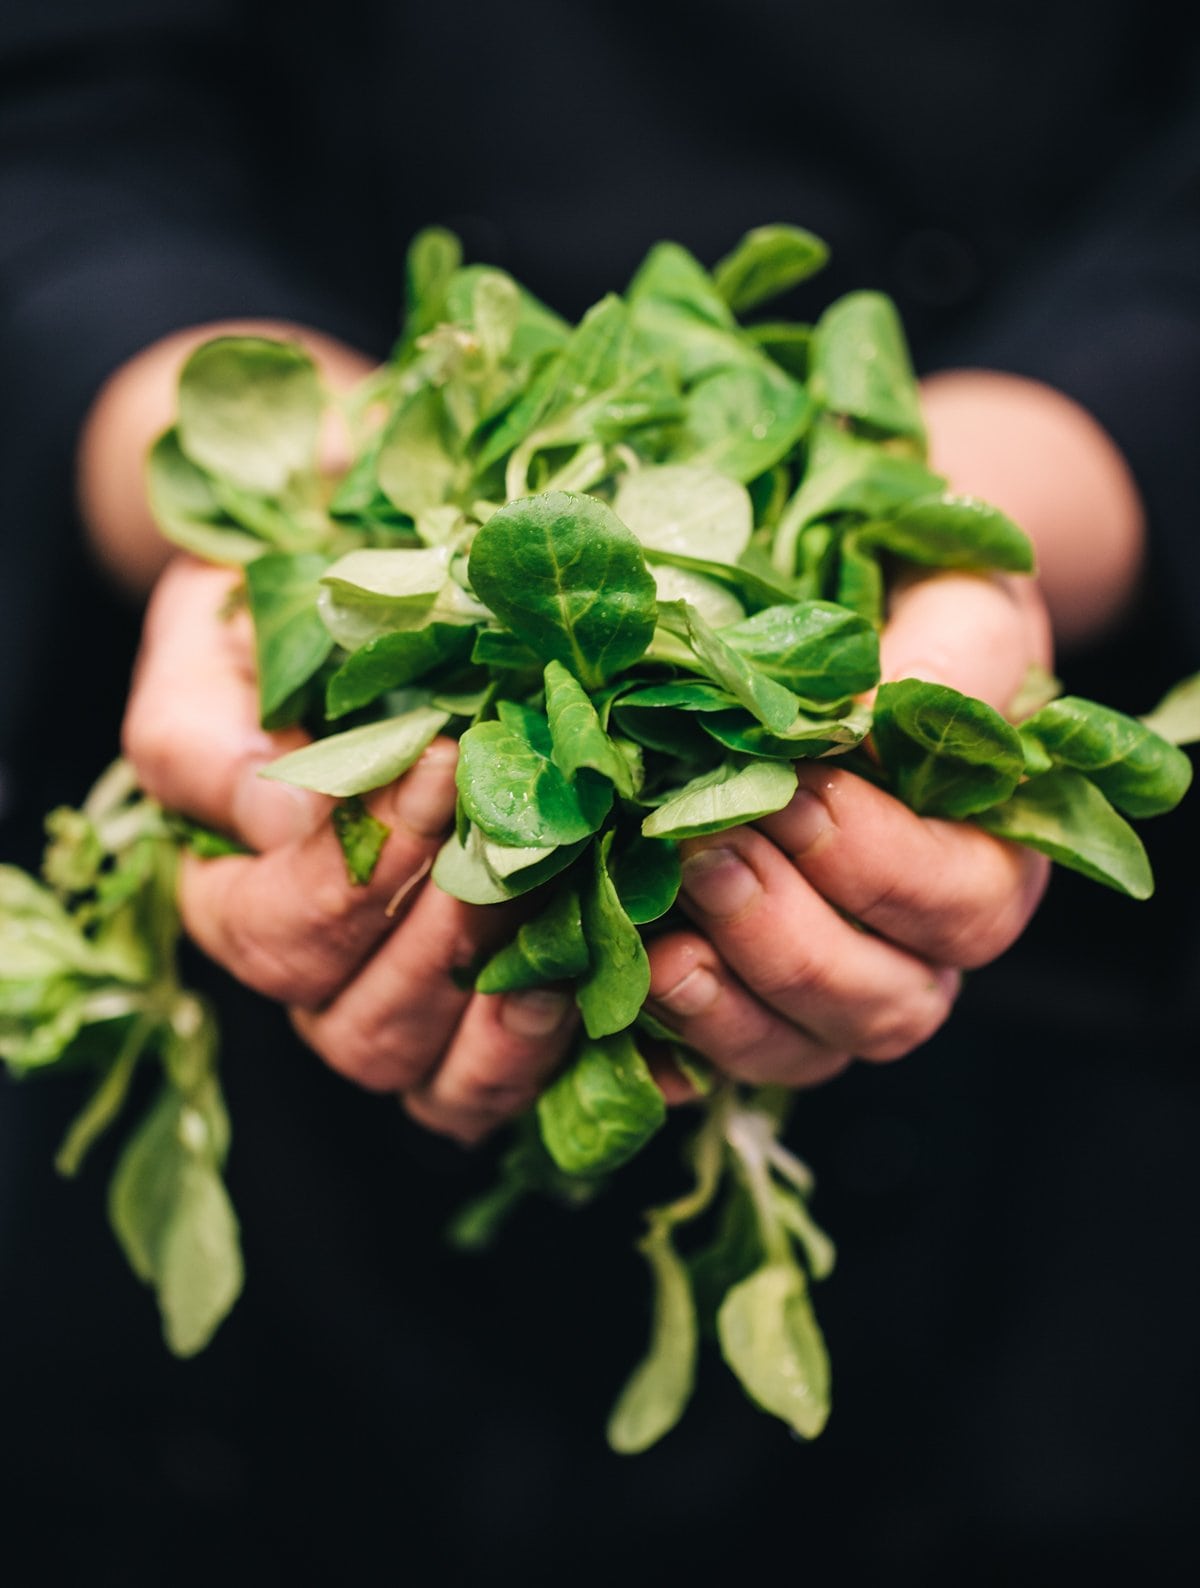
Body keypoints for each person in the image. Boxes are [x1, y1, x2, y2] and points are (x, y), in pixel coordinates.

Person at [2, 3, 1197, 1581]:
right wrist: (259, 507)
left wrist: (1005, 506)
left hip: (1053, 1171)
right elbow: (61, 119)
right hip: (292, 1274)